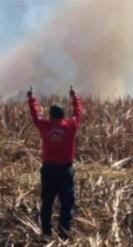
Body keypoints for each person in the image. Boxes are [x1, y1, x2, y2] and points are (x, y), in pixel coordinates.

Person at [27, 86, 83, 239]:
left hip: (48, 170)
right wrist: (74, 96)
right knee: (66, 203)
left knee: (47, 203)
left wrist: (32, 98)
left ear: (50, 116)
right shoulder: (70, 125)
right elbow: (78, 113)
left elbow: (36, 115)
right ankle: (64, 234)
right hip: (65, 171)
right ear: (63, 115)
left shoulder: (45, 126)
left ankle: (46, 233)